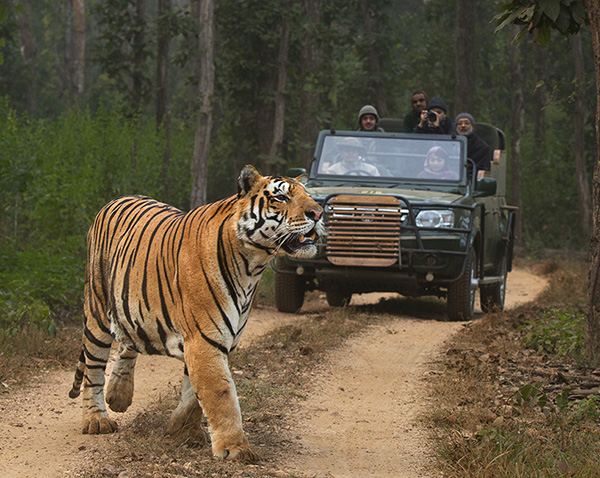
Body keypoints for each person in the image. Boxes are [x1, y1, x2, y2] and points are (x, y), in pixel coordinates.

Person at [455, 112, 491, 179]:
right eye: (460, 123)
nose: (463, 126)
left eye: (466, 123)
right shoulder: (451, 144)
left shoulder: (482, 147)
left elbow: (483, 170)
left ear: (472, 126)